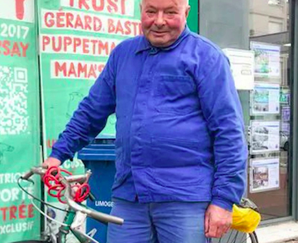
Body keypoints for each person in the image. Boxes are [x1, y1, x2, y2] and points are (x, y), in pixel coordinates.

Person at [43, 0, 248, 242]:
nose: (159, 21)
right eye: (151, 11)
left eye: (170, 12)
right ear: (141, 11)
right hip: (130, 196)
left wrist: (224, 200)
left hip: (184, 199)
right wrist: (58, 154)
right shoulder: (123, 55)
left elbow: (229, 132)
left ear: (186, 12)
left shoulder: (207, 57)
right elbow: (91, 111)